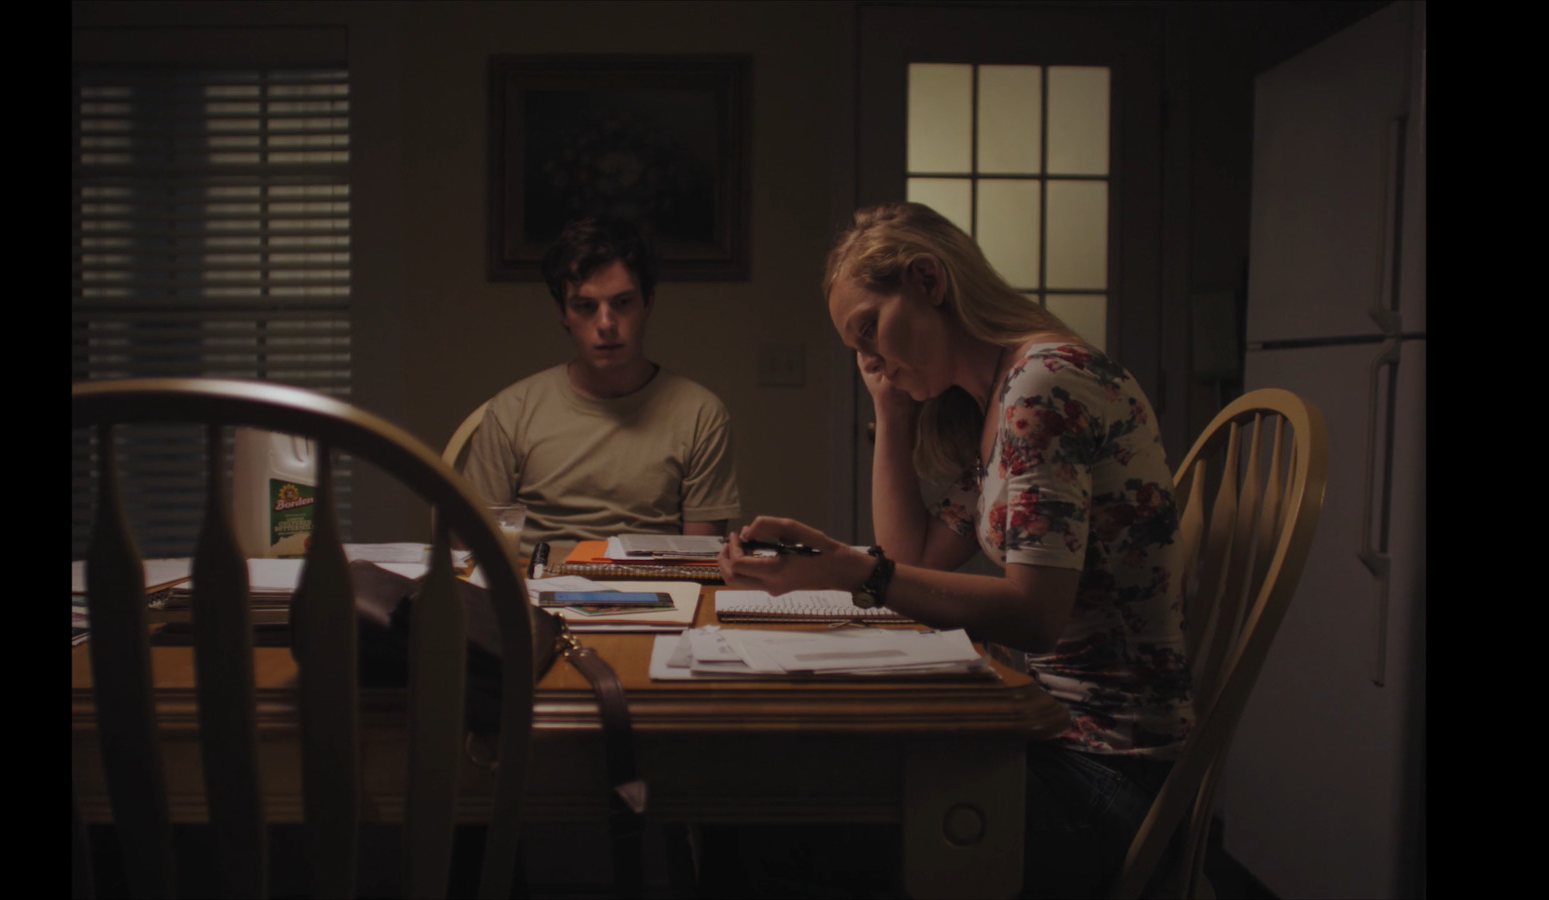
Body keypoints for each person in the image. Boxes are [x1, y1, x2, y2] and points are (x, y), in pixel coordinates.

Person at [716, 202, 1194, 898]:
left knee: (765, 819)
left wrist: (854, 570)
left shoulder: (1044, 387)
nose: (869, 359)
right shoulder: (996, 402)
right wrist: (891, 410)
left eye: (869, 330)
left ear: (929, 282)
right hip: (1051, 741)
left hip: (1110, 777)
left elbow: (1034, 615)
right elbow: (914, 557)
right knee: (770, 794)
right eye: (856, 347)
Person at [462, 215, 741, 544]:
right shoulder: (513, 410)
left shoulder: (700, 414)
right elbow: (471, 547)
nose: (606, 323)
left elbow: (701, 559)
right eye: (585, 306)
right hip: (533, 587)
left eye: (622, 303)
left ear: (647, 302)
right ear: (563, 312)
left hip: (653, 589)